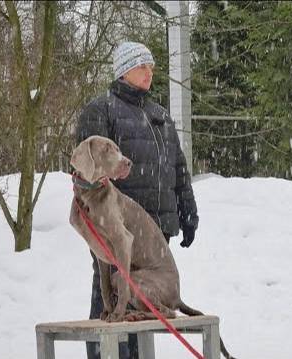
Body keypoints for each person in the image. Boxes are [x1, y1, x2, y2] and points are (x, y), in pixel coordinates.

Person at [75, 41, 199, 359]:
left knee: (143, 315)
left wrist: (187, 209)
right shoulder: (100, 110)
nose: (149, 73)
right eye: (142, 66)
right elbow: (87, 172)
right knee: (111, 302)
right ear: (124, 70)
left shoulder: (159, 115)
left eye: (152, 67)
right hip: (116, 226)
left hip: (156, 229)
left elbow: (178, 166)